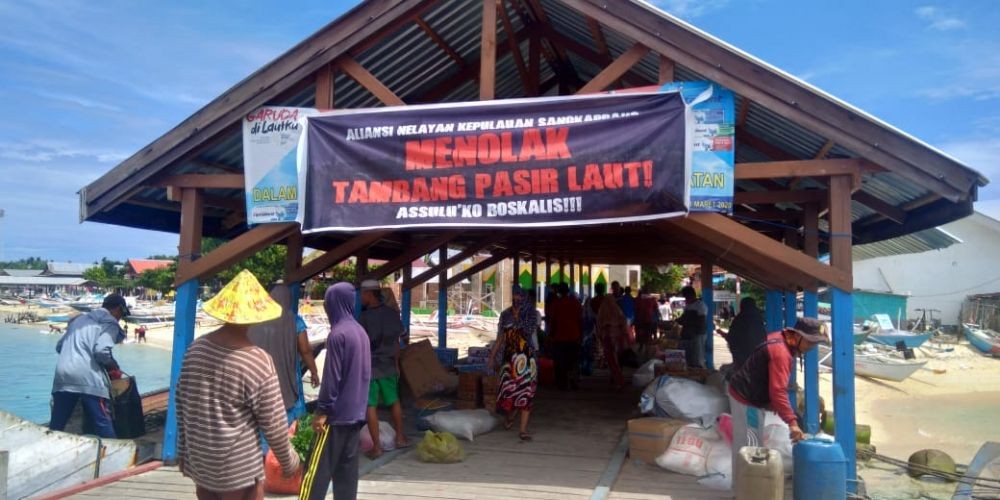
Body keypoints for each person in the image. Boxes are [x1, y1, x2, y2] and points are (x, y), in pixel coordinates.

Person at [175, 270, 301, 499]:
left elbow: (182, 404)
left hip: (201, 463)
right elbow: (273, 423)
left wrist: (183, 453)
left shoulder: (196, 348)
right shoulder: (258, 361)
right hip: (239, 470)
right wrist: (289, 461)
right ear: (255, 315)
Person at [300, 282, 372, 500]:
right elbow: (365, 374)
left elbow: (332, 378)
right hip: (355, 416)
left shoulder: (338, 334)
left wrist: (322, 411)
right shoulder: (361, 332)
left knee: (315, 474)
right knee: (346, 475)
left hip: (335, 416)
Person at [727, 317, 828, 472]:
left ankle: (745, 487)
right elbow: (778, 390)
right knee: (750, 449)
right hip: (747, 399)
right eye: (809, 341)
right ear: (798, 335)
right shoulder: (781, 353)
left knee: (748, 445)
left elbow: (770, 378)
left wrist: (773, 403)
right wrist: (792, 423)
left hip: (748, 394)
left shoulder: (782, 338)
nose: (811, 347)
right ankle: (744, 491)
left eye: (815, 343)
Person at [49, 294, 129, 438]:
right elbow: (101, 351)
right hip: (87, 378)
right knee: (102, 421)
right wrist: (112, 366)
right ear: (118, 309)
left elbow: (59, 347)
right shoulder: (110, 322)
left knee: (56, 425)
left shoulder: (81, 320)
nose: (120, 318)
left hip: (63, 375)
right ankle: (113, 452)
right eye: (121, 315)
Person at [248, 284, 320, 421]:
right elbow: (305, 350)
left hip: (258, 378)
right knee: (286, 416)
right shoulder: (295, 321)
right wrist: (314, 372)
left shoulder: (254, 319)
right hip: (287, 377)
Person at [358, 279, 409, 459]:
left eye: (362, 294)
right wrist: (396, 363)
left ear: (369, 294)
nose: (361, 297)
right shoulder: (392, 314)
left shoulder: (363, 318)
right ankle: (401, 437)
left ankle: (377, 447)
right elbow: (401, 340)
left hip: (370, 367)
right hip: (388, 365)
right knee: (394, 401)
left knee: (370, 406)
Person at [489, 285, 539, 441]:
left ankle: (523, 430)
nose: (516, 300)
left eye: (519, 297)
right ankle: (510, 417)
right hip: (509, 361)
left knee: (527, 394)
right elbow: (500, 338)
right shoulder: (505, 315)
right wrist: (492, 356)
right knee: (509, 393)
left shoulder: (531, 314)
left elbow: (528, 331)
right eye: (514, 297)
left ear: (524, 298)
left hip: (528, 359)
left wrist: (519, 318)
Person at [549, 283, 582, 391]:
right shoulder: (576, 303)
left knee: (560, 362)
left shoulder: (556, 304)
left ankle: (562, 383)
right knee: (573, 361)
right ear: (568, 291)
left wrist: (551, 335)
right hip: (574, 336)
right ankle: (574, 381)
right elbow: (580, 320)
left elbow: (552, 322)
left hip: (559, 337)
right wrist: (580, 335)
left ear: (559, 292)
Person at [595, 284, 627, 390]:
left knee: (612, 360)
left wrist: (600, 335)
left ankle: (618, 380)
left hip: (607, 337)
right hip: (617, 337)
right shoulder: (617, 309)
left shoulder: (603, 310)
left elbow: (599, 323)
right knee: (617, 359)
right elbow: (623, 322)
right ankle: (618, 379)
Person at [719, 297, 766, 368]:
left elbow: (731, 337)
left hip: (741, 359)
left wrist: (721, 333)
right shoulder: (759, 318)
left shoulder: (739, 319)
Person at [677, 286, 708, 369]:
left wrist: (687, 322)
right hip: (688, 336)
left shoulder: (700, 305)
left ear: (691, 295)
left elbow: (701, 321)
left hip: (698, 335)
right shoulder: (688, 306)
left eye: (686, 297)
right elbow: (683, 318)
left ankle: (699, 376)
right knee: (689, 359)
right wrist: (678, 320)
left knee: (697, 359)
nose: (685, 299)